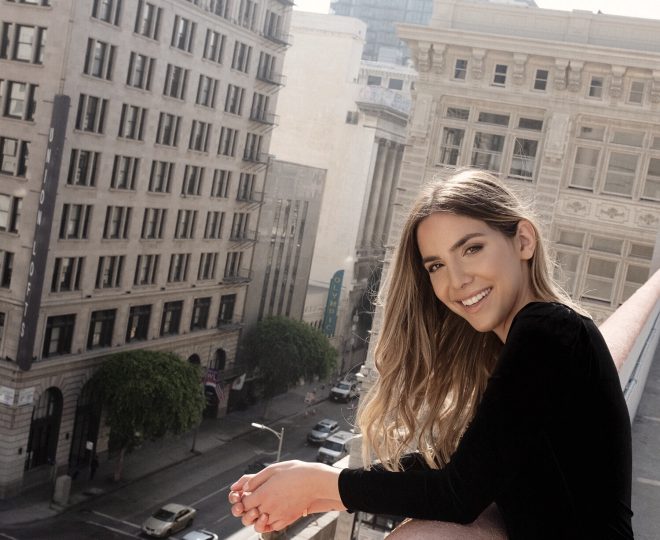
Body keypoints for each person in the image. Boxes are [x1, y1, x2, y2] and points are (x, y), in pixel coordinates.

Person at [228, 170, 634, 539]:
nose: (457, 280)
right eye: (437, 265)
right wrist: (316, 493)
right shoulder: (527, 339)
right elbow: (464, 468)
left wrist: (321, 485)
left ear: (523, 241)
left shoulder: (546, 329)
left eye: (472, 249)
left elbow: (458, 493)